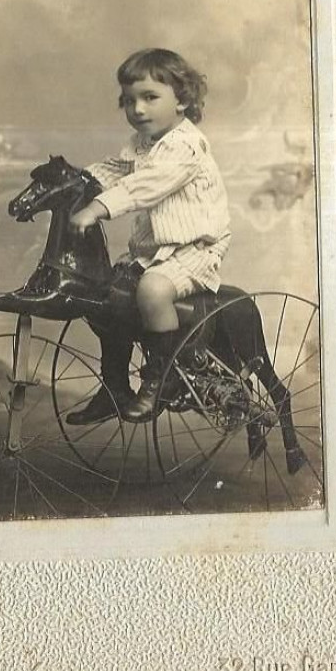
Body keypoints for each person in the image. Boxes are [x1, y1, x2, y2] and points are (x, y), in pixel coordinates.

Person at [68, 48, 231, 423]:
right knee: (108, 296)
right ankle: (113, 388)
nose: (138, 109)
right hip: (154, 250)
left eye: (150, 98)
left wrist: (97, 208)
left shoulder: (185, 147)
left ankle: (163, 378)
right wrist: (79, 181)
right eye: (129, 101)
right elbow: (117, 168)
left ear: (183, 101)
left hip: (195, 248)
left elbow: (145, 185)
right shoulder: (144, 143)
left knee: (153, 291)